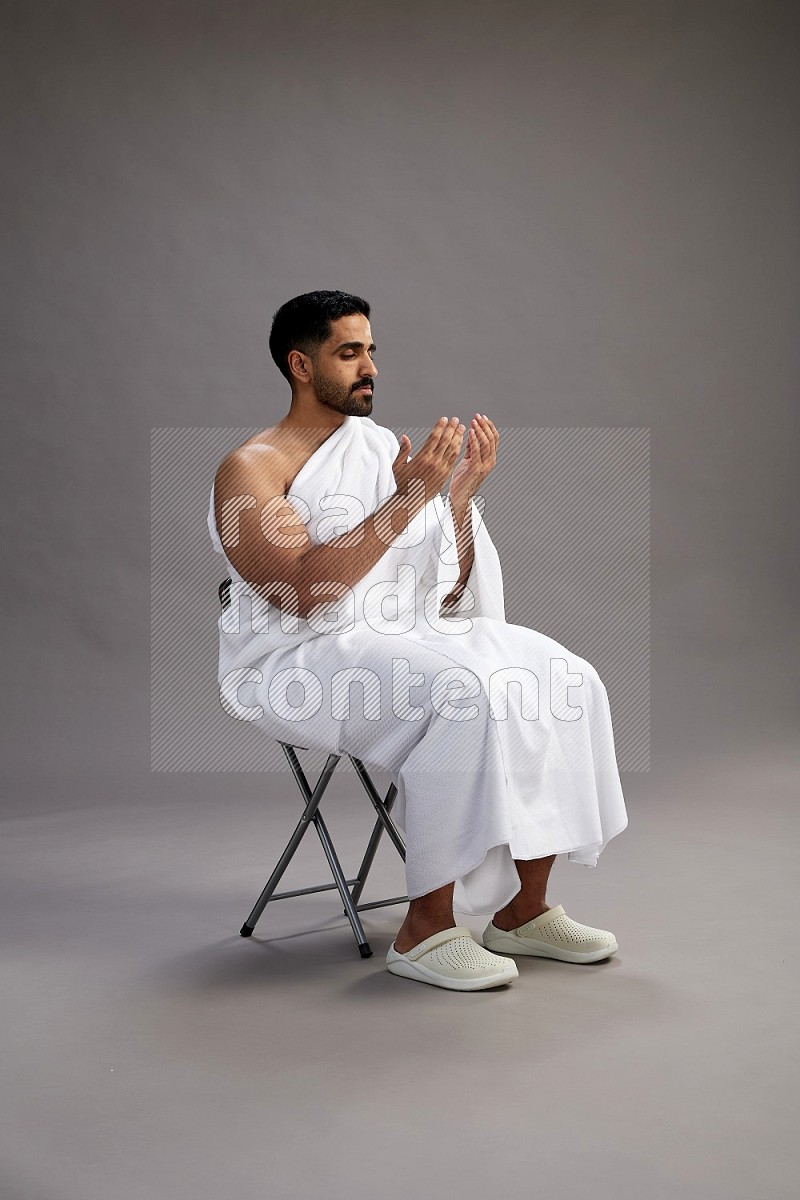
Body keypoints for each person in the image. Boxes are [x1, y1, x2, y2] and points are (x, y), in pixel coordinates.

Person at [208, 290, 629, 992]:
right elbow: (307, 593)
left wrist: (455, 497)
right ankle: (425, 928)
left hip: (398, 636)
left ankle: (524, 912)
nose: (369, 366)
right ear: (301, 365)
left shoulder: (377, 450)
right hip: (298, 660)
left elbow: (444, 592)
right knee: (463, 694)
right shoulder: (249, 470)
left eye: (371, 350)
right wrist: (407, 499)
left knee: (563, 675)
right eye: (349, 353)